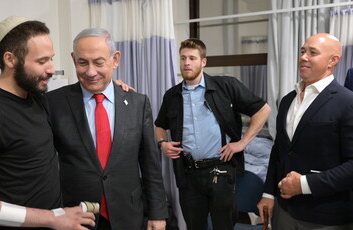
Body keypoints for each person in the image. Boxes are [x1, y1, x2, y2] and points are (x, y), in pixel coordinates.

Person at [0, 16, 96, 229]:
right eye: (41, 61)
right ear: (10, 60)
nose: (51, 69)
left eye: (51, 59)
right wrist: (53, 218)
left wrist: (110, 87)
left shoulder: (36, 97)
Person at [46, 27, 169, 230]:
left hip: (127, 214)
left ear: (115, 59)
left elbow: (150, 165)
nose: (91, 72)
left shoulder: (138, 103)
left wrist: (158, 214)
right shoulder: (54, 103)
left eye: (99, 62)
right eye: (82, 62)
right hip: (76, 215)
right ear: (73, 59)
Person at [154, 38, 271, 230]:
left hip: (222, 172)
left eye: (192, 58)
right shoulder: (172, 95)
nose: (187, 63)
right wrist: (162, 144)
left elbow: (263, 110)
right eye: (183, 58)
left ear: (203, 62)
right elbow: (159, 126)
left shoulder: (226, 86)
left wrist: (242, 143)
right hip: (188, 175)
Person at [257, 33, 353, 229]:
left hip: (325, 215)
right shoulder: (287, 100)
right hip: (284, 211)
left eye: (312, 52)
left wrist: (304, 184)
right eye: (302, 51)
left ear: (332, 60)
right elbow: (280, 151)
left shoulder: (347, 102)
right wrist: (268, 194)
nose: (303, 57)